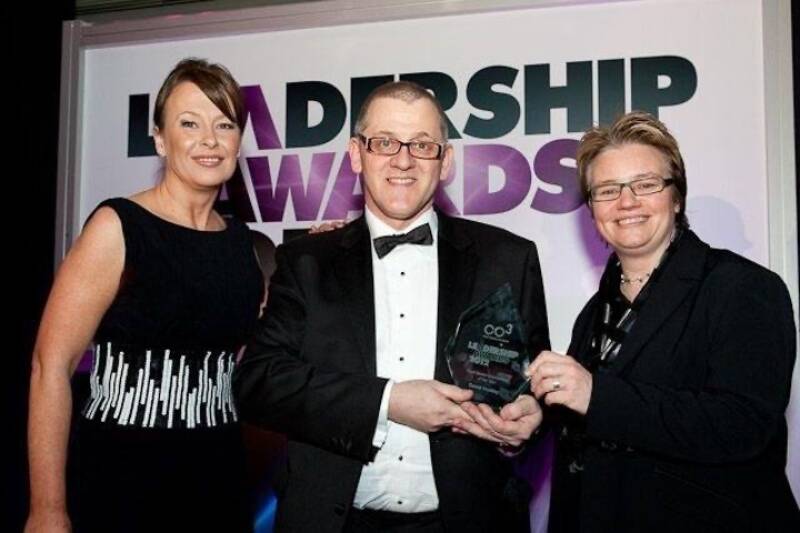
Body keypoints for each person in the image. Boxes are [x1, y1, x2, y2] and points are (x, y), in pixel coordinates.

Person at [234, 80, 550, 533]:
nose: (403, 159)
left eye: (422, 145)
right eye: (384, 142)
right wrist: (389, 401)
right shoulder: (306, 262)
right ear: (355, 155)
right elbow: (257, 382)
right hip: (333, 522)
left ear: (446, 162)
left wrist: (528, 424)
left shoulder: (508, 259)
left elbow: (529, 384)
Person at [528, 111, 799, 532]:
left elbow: (743, 424)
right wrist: (532, 418)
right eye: (607, 190)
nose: (627, 202)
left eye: (646, 184)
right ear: (592, 210)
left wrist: (596, 395)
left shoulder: (742, 288)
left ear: (676, 197)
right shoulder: (594, 313)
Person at [25, 58, 263, 533]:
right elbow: (50, 366)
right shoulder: (117, 227)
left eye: (225, 124)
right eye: (189, 123)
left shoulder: (243, 245)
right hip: (120, 480)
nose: (209, 140)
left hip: (218, 481)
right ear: (159, 138)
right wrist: (47, 509)